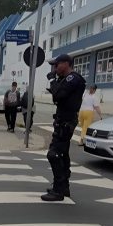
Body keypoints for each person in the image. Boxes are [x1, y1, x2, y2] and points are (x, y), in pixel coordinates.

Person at [41, 53, 86, 202]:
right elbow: (57, 96)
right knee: (63, 155)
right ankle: (64, 187)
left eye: (57, 64)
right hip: (62, 121)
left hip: (66, 122)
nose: (54, 68)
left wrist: (53, 80)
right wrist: (56, 82)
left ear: (66, 64)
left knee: (53, 154)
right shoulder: (65, 79)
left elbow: (58, 95)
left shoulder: (73, 78)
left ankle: (58, 190)